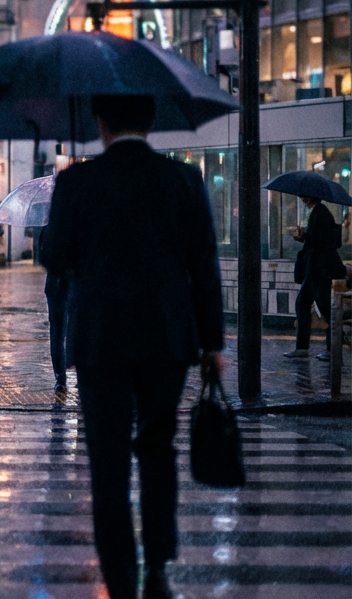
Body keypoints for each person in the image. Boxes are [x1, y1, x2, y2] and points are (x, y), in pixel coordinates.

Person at [40, 95, 223, 599]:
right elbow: (203, 266)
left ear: (100, 122)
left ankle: (120, 576)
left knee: (108, 458)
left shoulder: (76, 181)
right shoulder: (183, 180)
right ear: (151, 121)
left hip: (100, 339)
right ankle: (159, 566)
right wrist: (213, 344)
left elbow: (55, 256)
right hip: (168, 337)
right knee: (157, 450)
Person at [286, 194, 344, 360]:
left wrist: (304, 236)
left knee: (325, 308)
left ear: (311, 197)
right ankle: (308, 348)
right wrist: (304, 236)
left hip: (319, 269)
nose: (302, 199)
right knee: (306, 304)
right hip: (317, 269)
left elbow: (320, 241)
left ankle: (331, 350)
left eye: (304, 197)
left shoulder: (320, 212)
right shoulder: (319, 212)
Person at [41, 222, 69, 393]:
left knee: (58, 332)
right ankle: (61, 377)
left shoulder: (49, 227)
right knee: (59, 332)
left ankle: (61, 378)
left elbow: (43, 257)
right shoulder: (84, 226)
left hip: (60, 286)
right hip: (63, 287)